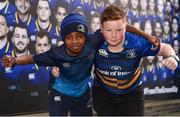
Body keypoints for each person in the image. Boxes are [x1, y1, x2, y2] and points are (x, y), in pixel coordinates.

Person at [92, 5, 179, 116]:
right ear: (101, 28)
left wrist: (171, 57)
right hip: (103, 93)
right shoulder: (93, 41)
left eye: (119, 30)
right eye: (108, 30)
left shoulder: (137, 42)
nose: (113, 35)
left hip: (132, 94)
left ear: (126, 27)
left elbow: (165, 47)